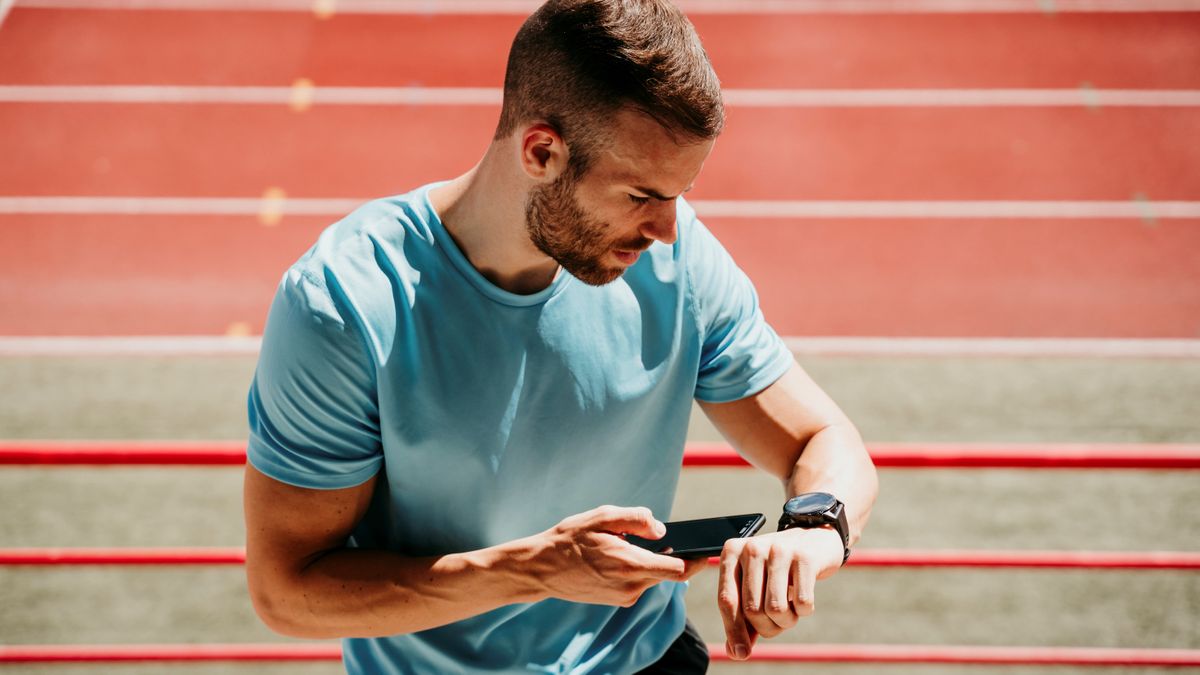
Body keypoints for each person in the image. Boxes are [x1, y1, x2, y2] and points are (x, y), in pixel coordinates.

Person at [242, 0, 879, 672]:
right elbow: (287, 589)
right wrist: (530, 570)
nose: (667, 226)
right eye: (640, 195)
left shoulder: (678, 257)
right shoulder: (345, 301)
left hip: (648, 659)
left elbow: (822, 440)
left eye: (680, 192)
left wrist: (814, 532)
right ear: (542, 152)